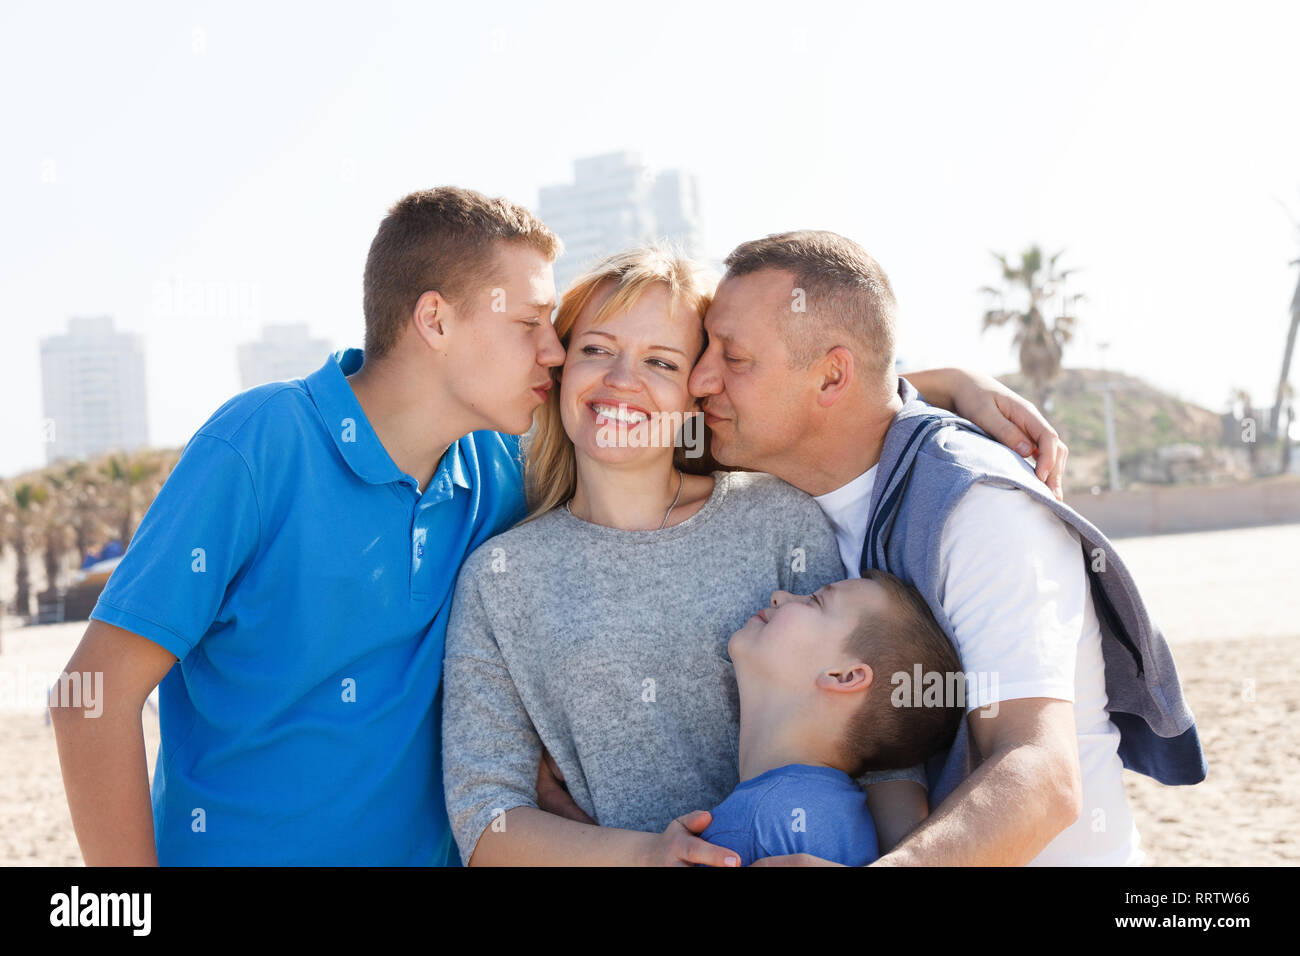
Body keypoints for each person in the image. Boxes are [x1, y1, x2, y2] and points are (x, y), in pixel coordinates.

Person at [441, 247, 1067, 866]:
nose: (621, 380)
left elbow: (876, 749)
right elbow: (485, 814)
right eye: (596, 349)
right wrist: (647, 856)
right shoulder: (501, 577)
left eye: (661, 361)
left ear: (698, 390)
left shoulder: (777, 517)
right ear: (561, 367)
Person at [50, 186, 567, 865]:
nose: (555, 351)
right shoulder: (261, 444)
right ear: (434, 320)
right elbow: (90, 700)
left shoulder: (503, 470)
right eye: (530, 323)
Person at [688, 230, 1207, 866]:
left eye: (733, 359)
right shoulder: (779, 482)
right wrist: (950, 380)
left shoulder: (980, 508)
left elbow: (1042, 773)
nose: (700, 377)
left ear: (831, 377)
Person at [700, 572, 964, 867]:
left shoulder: (765, 821)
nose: (779, 596)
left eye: (814, 601)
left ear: (845, 676)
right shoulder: (828, 815)